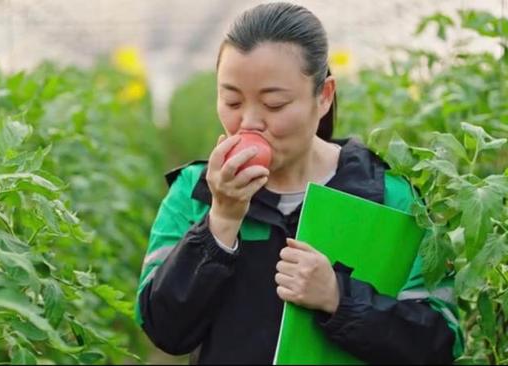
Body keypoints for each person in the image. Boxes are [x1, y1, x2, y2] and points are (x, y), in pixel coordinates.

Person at [135, 2, 464, 364]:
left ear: (323, 96)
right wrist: (222, 222)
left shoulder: (387, 197)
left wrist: (338, 297)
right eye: (231, 100)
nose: (249, 122)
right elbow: (164, 330)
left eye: (274, 104)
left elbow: (440, 343)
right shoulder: (195, 191)